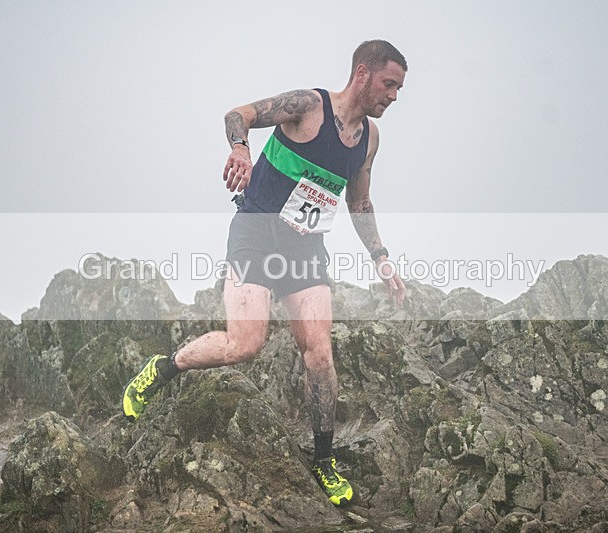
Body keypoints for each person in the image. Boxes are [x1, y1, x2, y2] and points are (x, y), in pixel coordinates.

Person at [122, 39, 407, 506]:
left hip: (305, 246)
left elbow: (359, 201)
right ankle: (164, 368)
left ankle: (323, 459)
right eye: (389, 84)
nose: (394, 96)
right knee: (245, 344)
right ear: (362, 73)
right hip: (255, 233)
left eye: (399, 88)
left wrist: (380, 255)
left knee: (319, 354)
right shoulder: (309, 107)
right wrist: (239, 148)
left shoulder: (369, 140)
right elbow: (239, 114)